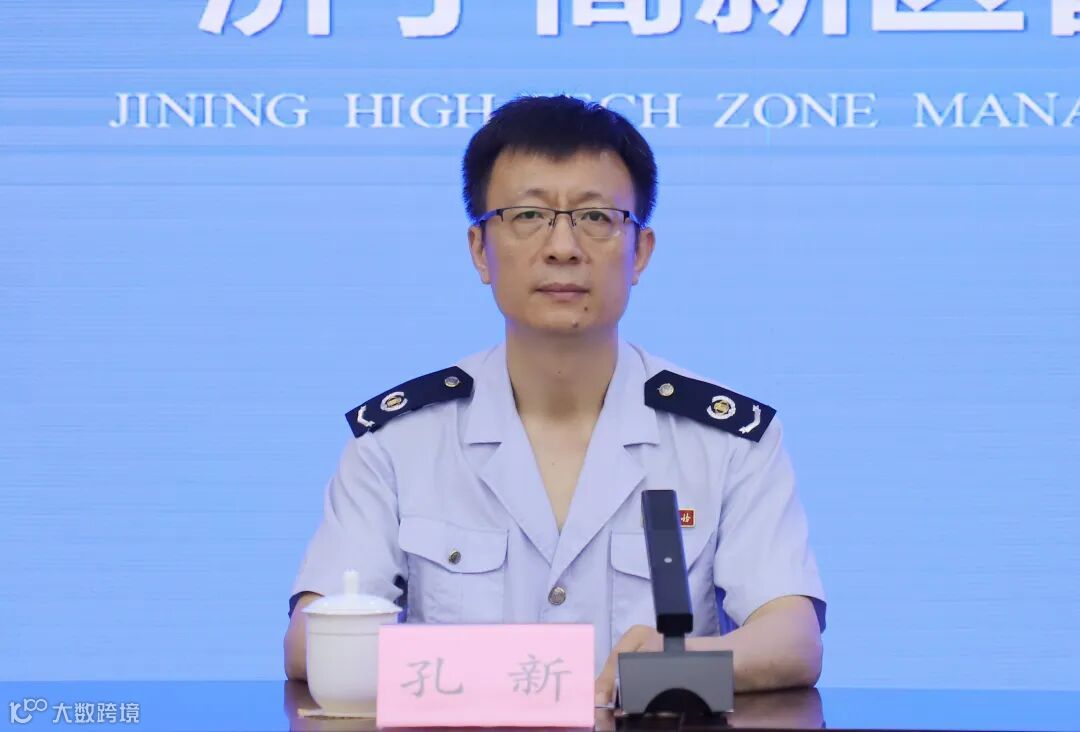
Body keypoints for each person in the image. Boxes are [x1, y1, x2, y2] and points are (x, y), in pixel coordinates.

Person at [283, 95, 826, 702]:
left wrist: (668, 669)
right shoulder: (399, 440)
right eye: (527, 215)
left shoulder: (727, 441)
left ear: (641, 251)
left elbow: (792, 640)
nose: (562, 247)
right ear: (479, 250)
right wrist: (506, 678)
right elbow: (309, 640)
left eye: (596, 217)